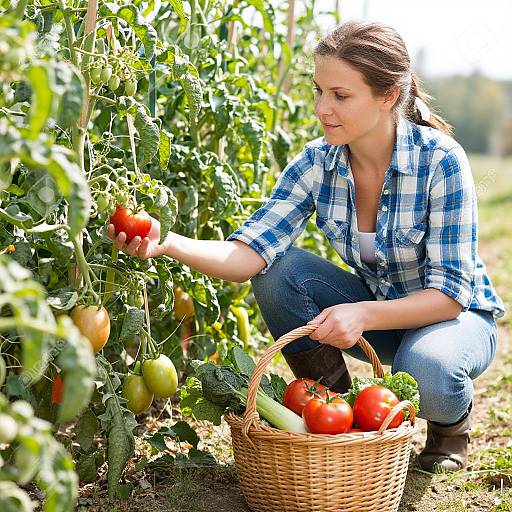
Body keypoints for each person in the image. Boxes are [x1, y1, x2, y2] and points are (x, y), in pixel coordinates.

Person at [108, 20, 505, 473]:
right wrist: (168, 243)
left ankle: (450, 429)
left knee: (427, 371)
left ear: (388, 96)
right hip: (380, 314)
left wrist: (362, 314)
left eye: (340, 95)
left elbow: (450, 295)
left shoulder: (440, 161)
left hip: (454, 318)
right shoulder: (318, 162)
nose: (322, 107)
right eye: (318, 91)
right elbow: (247, 256)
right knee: (278, 272)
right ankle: (334, 414)